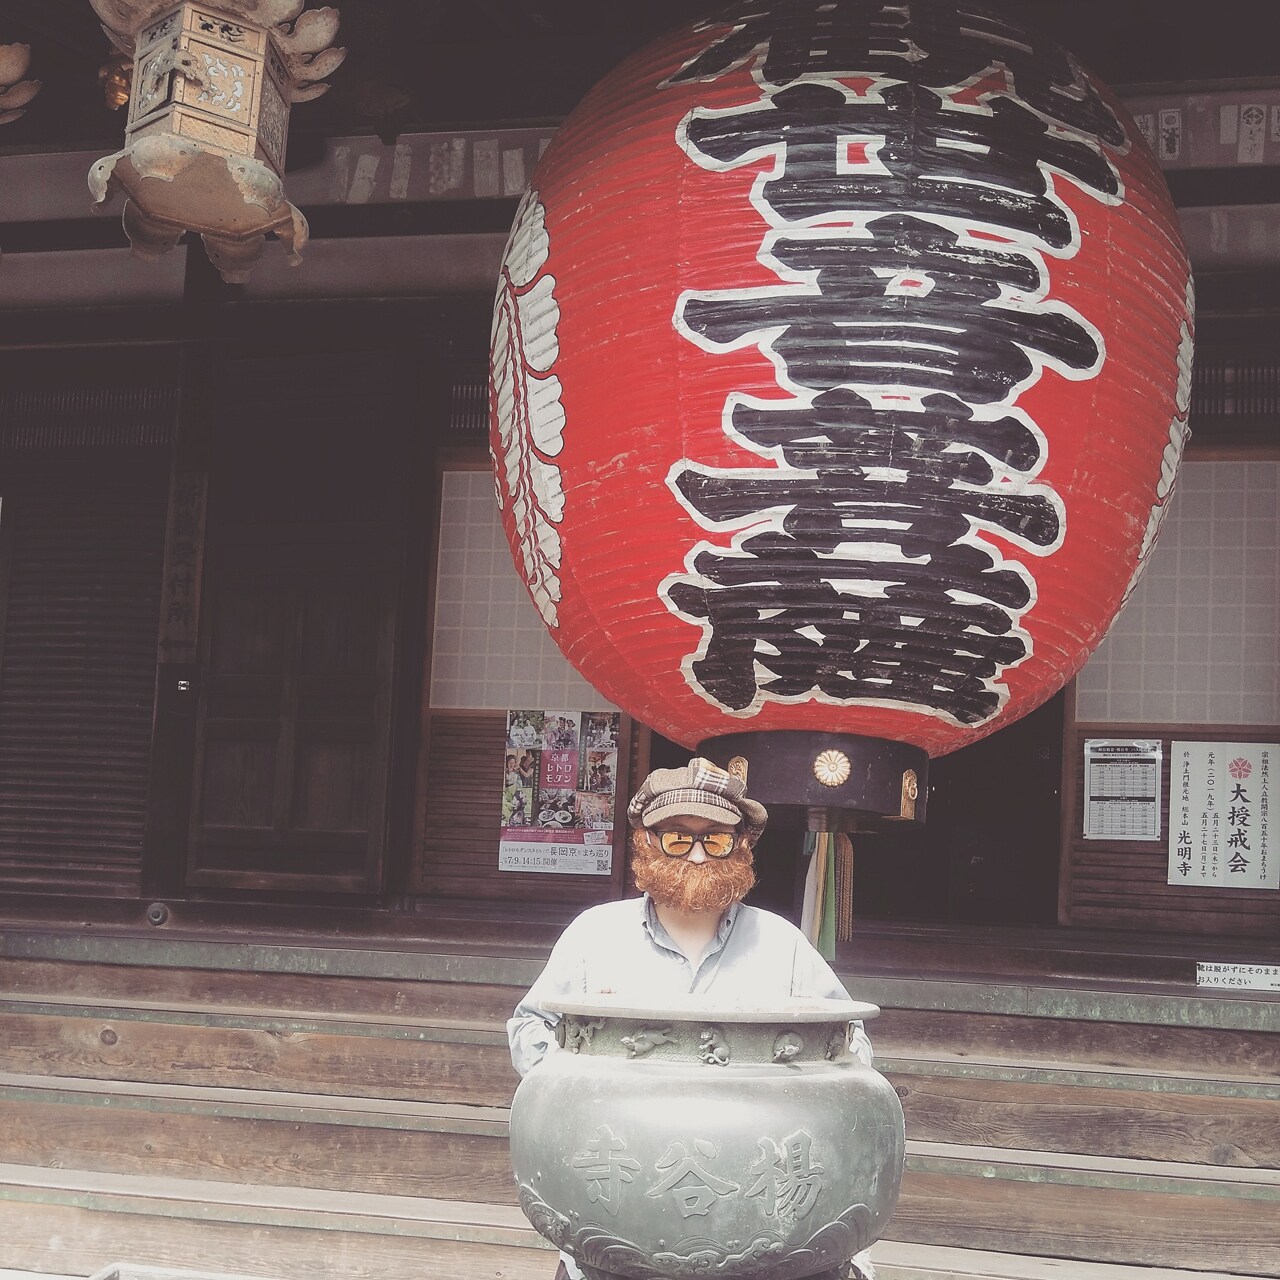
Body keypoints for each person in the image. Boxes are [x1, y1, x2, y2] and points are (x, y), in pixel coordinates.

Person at [508, 757, 875, 1280]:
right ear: (645, 842)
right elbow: (530, 1030)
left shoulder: (783, 945)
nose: (698, 854)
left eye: (716, 840)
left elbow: (851, 1048)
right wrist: (581, 1083)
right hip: (622, 1207)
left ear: (742, 846)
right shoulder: (594, 936)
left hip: (757, 1212)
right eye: (677, 839)